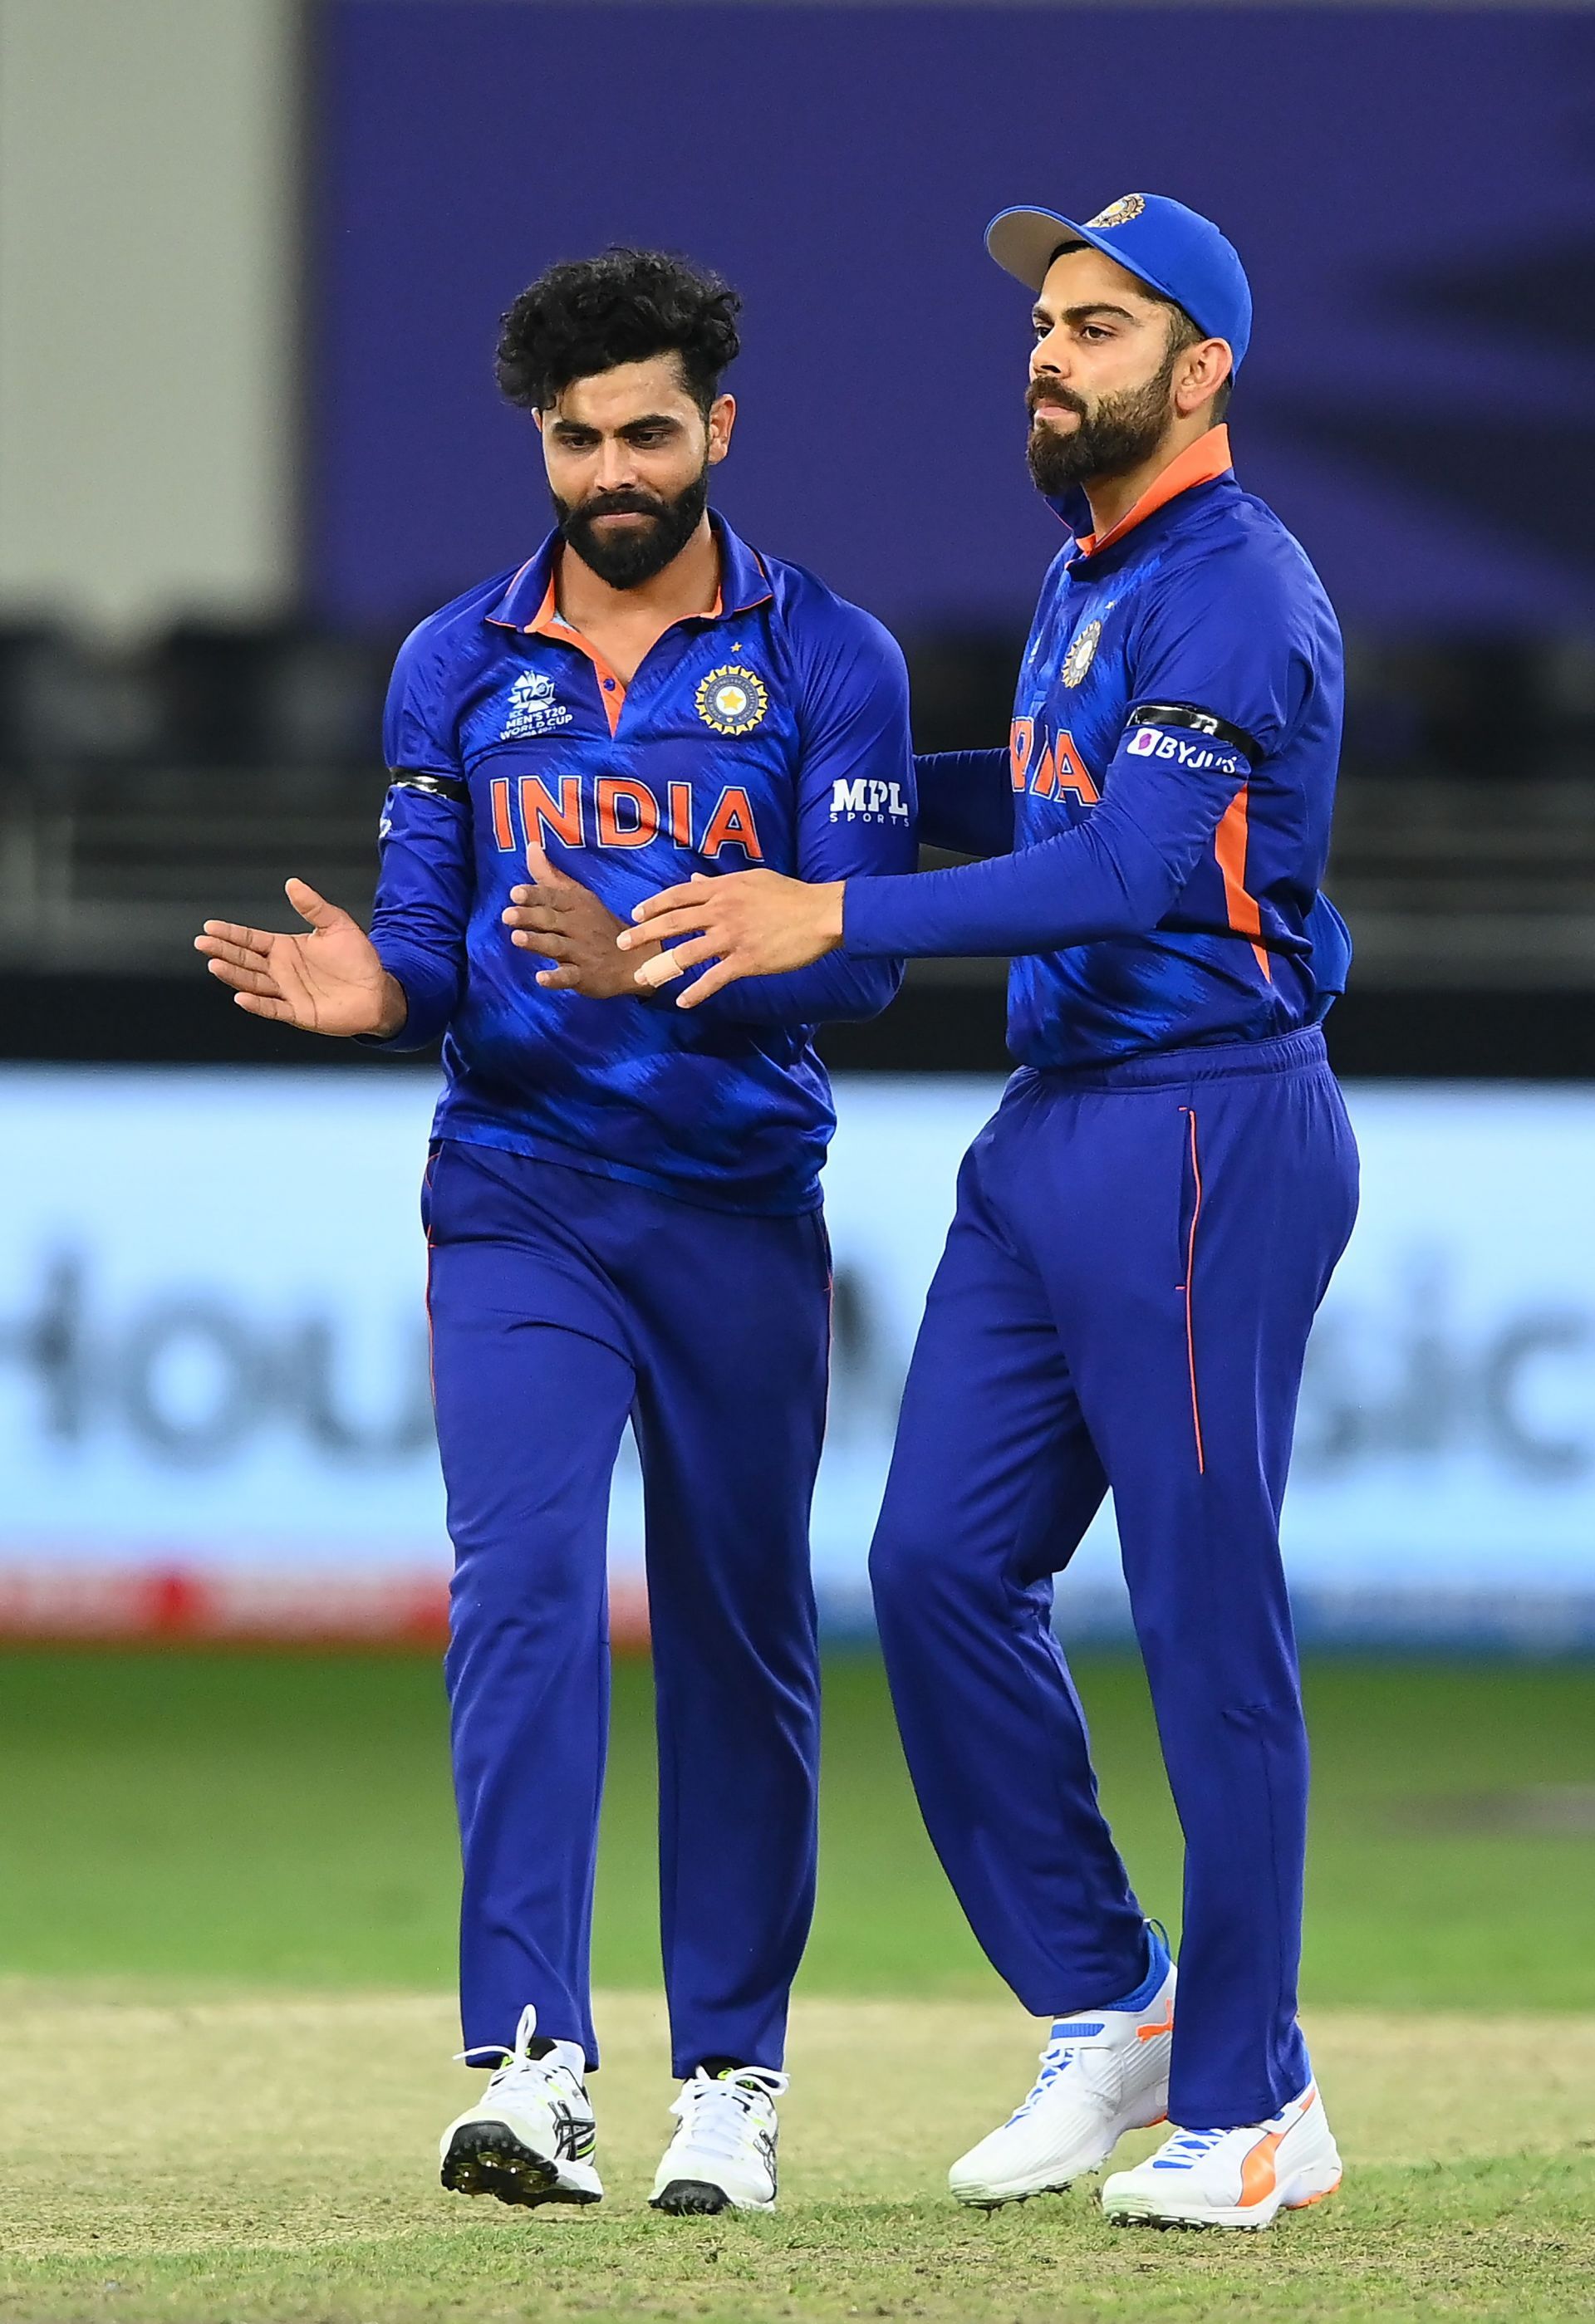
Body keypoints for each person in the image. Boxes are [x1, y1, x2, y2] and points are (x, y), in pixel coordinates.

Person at [621, 194, 1358, 2231]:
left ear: (1201, 372)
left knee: (1213, 1618)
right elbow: (1034, 795)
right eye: (1047, 323)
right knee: (935, 1565)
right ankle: (1110, 2005)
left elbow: (1128, 868)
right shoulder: (1087, 569)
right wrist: (801, 789)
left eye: (1101, 328)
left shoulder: (1234, 587)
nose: (1052, 354)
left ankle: (1259, 2103)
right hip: (1057, 1130)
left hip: (1206, 1125)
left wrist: (829, 906)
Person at [194, 248, 915, 2216]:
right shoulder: (455, 660)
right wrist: (380, 992)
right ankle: (528, 2062)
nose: (613, 468)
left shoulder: (831, 655)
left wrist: (654, 954)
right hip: (514, 1196)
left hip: (740, 1210)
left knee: (741, 1638)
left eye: (649, 430)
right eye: (579, 436)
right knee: (518, 1596)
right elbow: (428, 937)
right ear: (542, 436)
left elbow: (855, 972)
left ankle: (733, 2083)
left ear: (719, 430)